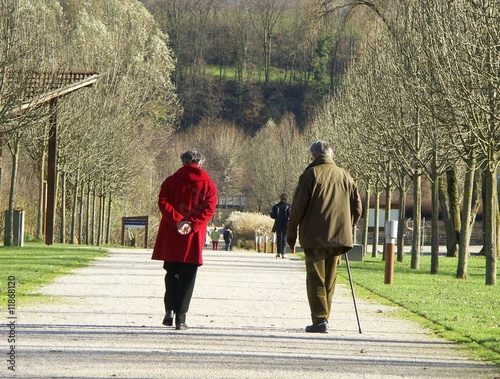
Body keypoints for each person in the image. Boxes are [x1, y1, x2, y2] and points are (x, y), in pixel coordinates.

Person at [287, 141, 362, 334]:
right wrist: (348, 225)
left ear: (313, 155)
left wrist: (291, 235)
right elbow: (358, 208)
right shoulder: (345, 175)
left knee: (315, 278)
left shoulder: (310, 174)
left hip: (314, 236)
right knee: (330, 279)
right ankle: (324, 317)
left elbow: (297, 209)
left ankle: (320, 320)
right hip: (339, 236)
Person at [152, 148, 217, 331]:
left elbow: (163, 203)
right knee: (188, 276)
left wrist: (178, 221)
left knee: (171, 273)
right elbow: (209, 209)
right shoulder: (209, 185)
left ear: (183, 162)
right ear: (200, 163)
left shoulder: (170, 181)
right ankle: (181, 318)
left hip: (172, 233)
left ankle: (169, 311)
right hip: (192, 237)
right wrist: (192, 224)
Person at [270, 193, 290, 258]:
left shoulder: (276, 206)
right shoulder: (288, 206)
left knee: (278, 238)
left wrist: (271, 213)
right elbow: (290, 215)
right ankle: (283, 253)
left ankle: (278, 253)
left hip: (278, 223)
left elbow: (273, 215)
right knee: (284, 238)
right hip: (285, 224)